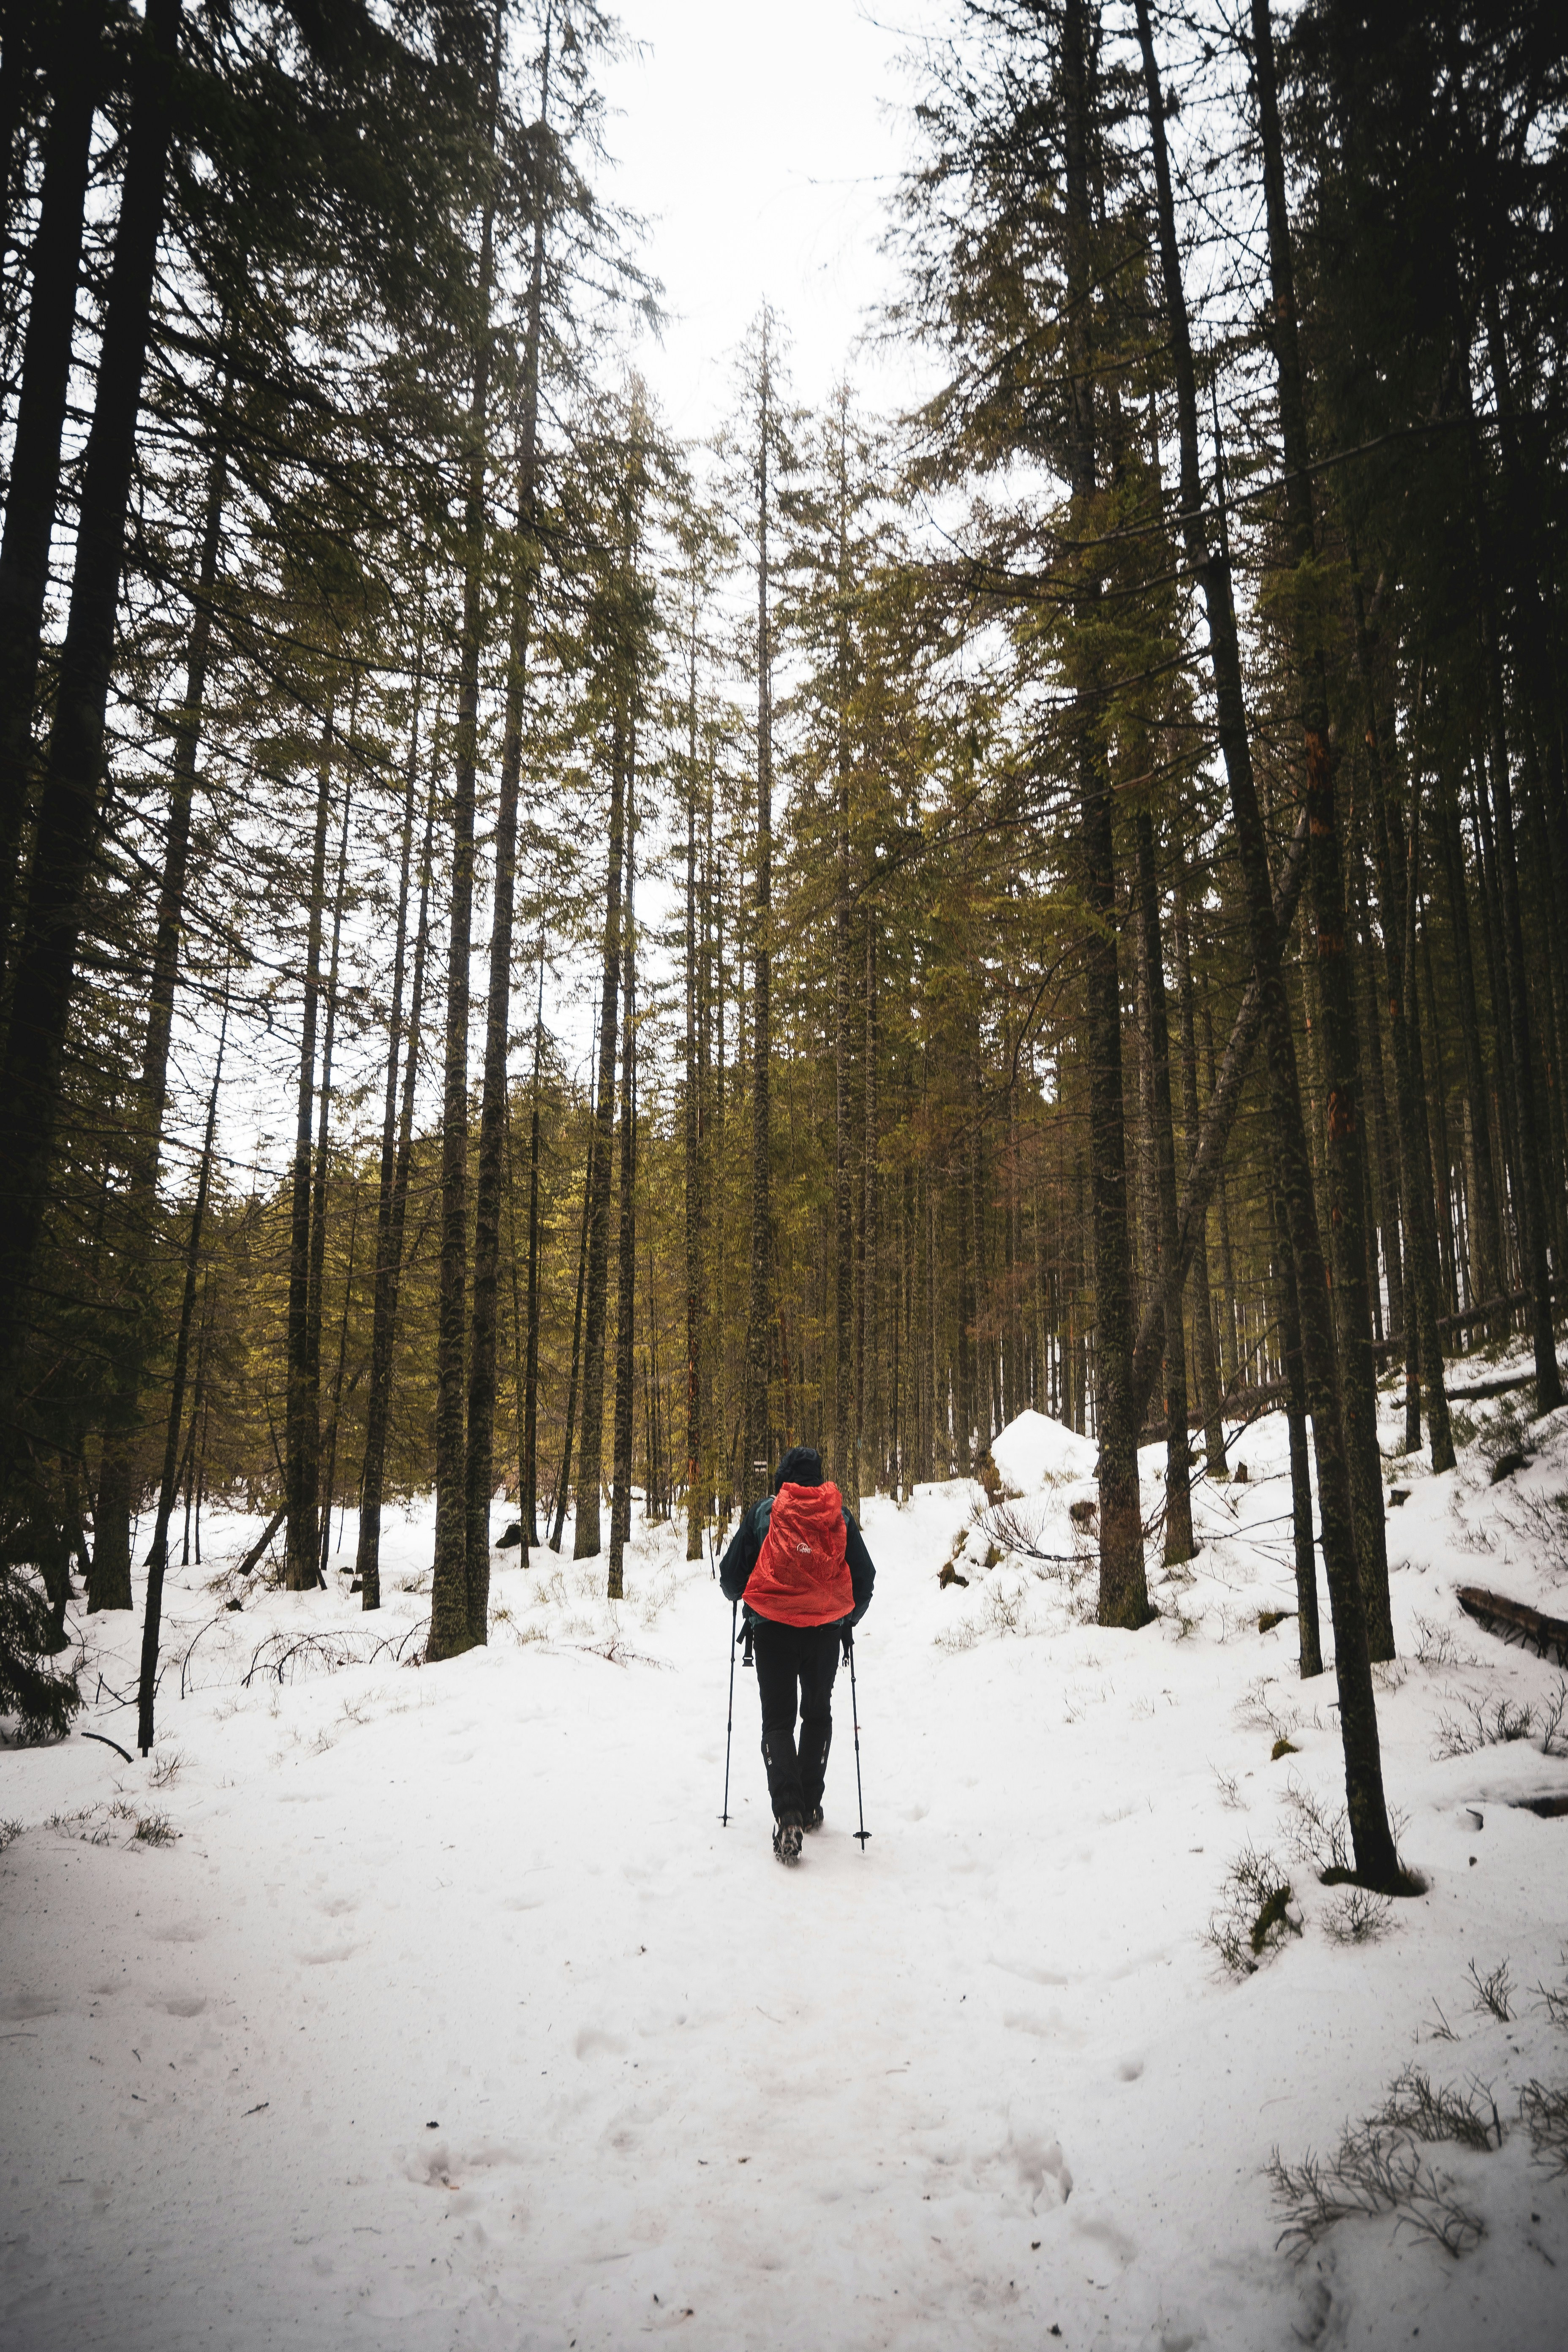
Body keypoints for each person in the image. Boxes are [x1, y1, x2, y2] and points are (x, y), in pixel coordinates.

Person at [718, 1443, 875, 1865]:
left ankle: (787, 1810)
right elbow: (866, 1577)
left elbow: (730, 1578)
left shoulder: (764, 1513)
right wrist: (846, 1620)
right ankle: (808, 1807)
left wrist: (745, 1596)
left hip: (772, 1632)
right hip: (825, 1633)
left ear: (782, 1479)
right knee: (817, 1714)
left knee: (778, 1721)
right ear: (819, 1478)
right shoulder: (838, 1516)